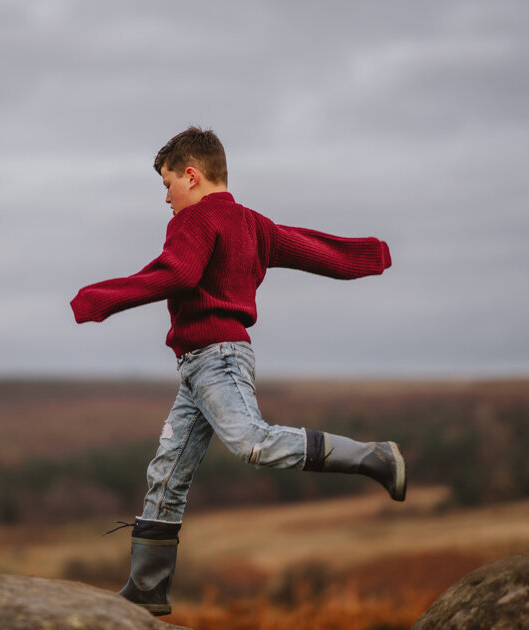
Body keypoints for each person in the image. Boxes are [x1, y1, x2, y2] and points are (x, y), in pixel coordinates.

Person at [70, 127, 406, 616]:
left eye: (167, 185)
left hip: (216, 358)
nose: (165, 198)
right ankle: (148, 588)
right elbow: (310, 247)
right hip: (200, 366)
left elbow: (177, 273)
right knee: (167, 472)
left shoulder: (196, 219)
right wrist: (369, 255)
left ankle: (374, 457)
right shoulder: (252, 224)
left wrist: (99, 298)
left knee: (253, 441)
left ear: (191, 175)